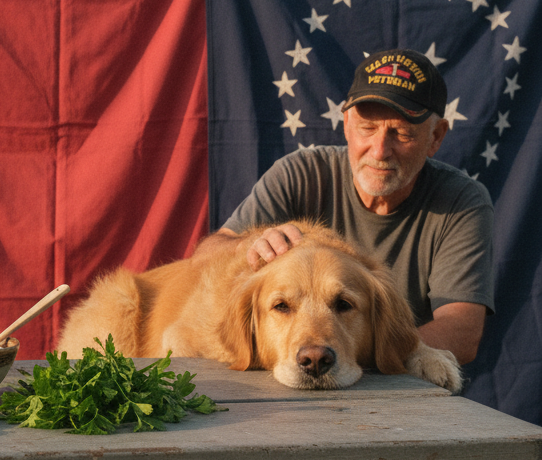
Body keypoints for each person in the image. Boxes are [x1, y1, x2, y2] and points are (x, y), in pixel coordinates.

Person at [196, 48, 494, 366]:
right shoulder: (299, 174)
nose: (379, 150)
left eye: (402, 133)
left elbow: (461, 332)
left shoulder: (462, 203)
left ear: (435, 137)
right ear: (347, 123)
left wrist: (346, 358)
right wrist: (247, 245)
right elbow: (203, 258)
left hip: (399, 394)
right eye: (367, 128)